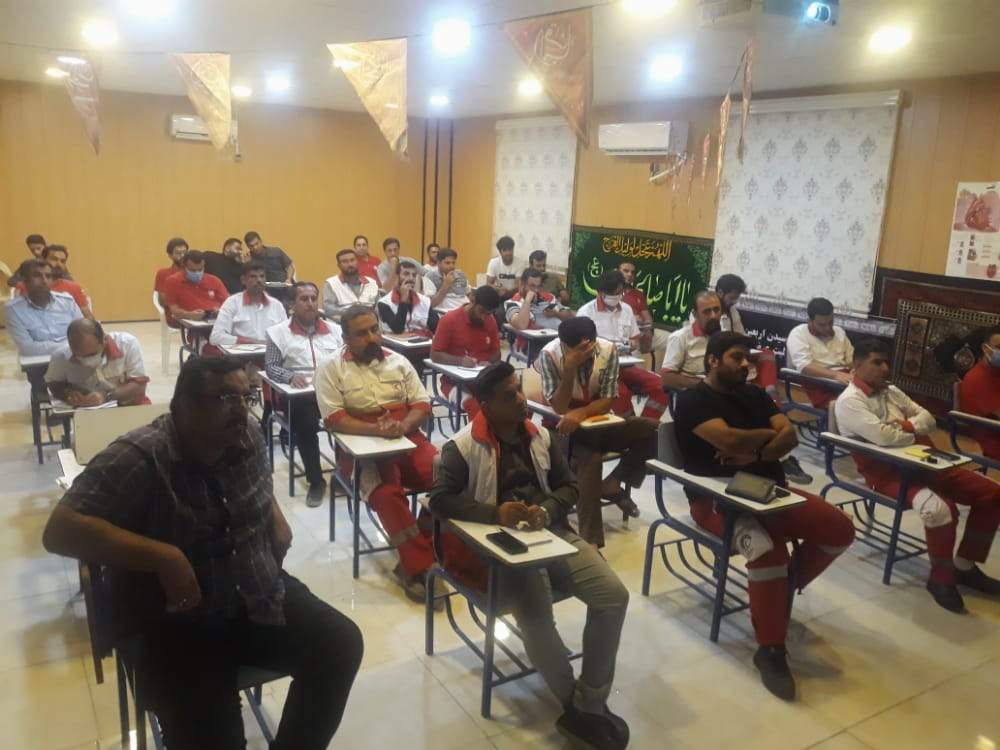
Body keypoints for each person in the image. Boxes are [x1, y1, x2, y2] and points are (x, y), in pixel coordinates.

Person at [41, 356, 363, 750]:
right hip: (179, 625)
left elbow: (252, 482)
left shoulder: (246, 434)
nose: (241, 409)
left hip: (255, 596)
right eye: (226, 398)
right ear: (184, 406)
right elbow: (60, 531)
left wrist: (273, 512)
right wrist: (163, 557)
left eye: (245, 397)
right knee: (215, 737)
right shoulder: (141, 455)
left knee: (340, 644)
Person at [430, 361, 631, 750]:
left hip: (551, 533)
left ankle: (588, 702)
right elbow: (439, 501)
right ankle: (575, 706)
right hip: (499, 546)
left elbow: (569, 486)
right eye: (509, 396)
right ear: (486, 405)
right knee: (537, 615)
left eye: (520, 389)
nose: (522, 399)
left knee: (613, 596)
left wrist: (549, 510)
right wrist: (495, 513)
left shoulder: (541, 436)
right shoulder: (462, 446)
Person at [674, 331, 855, 700]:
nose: (746, 365)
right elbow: (729, 441)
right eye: (737, 358)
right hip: (717, 500)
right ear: (713, 361)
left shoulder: (754, 394)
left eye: (748, 358)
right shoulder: (694, 400)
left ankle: (782, 588)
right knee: (769, 554)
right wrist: (765, 436)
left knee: (839, 529)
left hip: (770, 491)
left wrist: (755, 452)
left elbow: (790, 437)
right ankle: (770, 650)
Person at [835, 337, 1000, 613]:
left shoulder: (891, 391)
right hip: (888, 473)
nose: (885, 368)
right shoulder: (850, 401)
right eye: (877, 362)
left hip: (927, 463)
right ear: (857, 364)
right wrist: (910, 428)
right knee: (940, 510)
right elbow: (884, 438)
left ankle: (964, 567)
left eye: (886, 362)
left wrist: (904, 425)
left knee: (993, 494)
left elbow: (929, 419)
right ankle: (940, 579)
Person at [315, 305, 441, 603]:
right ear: (346, 338)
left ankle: (415, 552)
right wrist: (377, 431)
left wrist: (402, 426)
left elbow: (421, 404)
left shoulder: (399, 361)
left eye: (375, 329)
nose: (372, 337)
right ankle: (419, 565)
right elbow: (335, 419)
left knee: (448, 475)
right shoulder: (331, 368)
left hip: (407, 439)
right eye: (362, 333)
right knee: (386, 494)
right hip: (361, 449)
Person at [663, 290, 811, 484]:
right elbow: (732, 441)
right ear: (695, 314)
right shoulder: (681, 341)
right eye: (707, 311)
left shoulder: (752, 390)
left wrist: (759, 454)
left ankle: (772, 398)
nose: (713, 315)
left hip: (769, 484)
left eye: (716, 310)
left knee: (766, 356)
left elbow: (790, 436)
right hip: (724, 486)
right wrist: (770, 433)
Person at [535, 317, 659, 543]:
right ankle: (590, 540)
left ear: (592, 343)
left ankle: (613, 483)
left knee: (652, 430)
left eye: (586, 349)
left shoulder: (608, 350)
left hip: (599, 422)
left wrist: (582, 413)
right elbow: (560, 407)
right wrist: (570, 368)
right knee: (590, 460)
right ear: (563, 345)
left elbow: (608, 398)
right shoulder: (549, 355)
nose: (582, 355)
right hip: (561, 429)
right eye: (575, 350)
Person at [265, 282, 343, 506]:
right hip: (299, 396)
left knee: (352, 414)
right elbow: (271, 366)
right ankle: (316, 481)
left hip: (331, 390)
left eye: (313, 298)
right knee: (306, 423)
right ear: (291, 304)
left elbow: (346, 359)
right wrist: (289, 376)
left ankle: (344, 474)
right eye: (304, 299)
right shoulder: (277, 332)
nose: (310, 304)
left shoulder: (335, 330)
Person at [577, 270, 670, 423]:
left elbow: (635, 340)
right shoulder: (586, 313)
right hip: (598, 368)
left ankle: (646, 424)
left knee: (660, 386)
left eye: (619, 293)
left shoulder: (626, 310)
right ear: (601, 292)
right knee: (622, 393)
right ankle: (629, 426)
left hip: (625, 365)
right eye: (613, 294)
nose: (617, 297)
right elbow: (581, 349)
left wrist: (631, 345)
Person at [431, 286, 502, 418]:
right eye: (482, 312)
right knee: (475, 406)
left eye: (488, 314)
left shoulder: (490, 320)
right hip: (453, 382)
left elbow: (497, 353)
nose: (484, 318)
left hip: (482, 379)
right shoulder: (449, 319)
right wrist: (460, 361)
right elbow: (435, 355)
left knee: (511, 401)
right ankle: (481, 432)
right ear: (472, 300)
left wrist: (489, 362)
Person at [45, 319, 150, 406]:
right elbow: (53, 384)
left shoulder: (127, 344)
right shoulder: (61, 356)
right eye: (79, 356)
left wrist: (106, 396)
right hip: (86, 413)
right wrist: (68, 394)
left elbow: (139, 387)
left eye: (92, 354)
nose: (86, 360)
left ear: (104, 340)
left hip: (128, 406)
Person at [786, 297, 855, 409]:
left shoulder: (839, 332)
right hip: (818, 381)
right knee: (848, 406)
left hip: (844, 379)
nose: (827, 328)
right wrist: (836, 375)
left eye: (830, 322)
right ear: (810, 321)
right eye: (822, 325)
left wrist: (856, 370)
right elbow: (805, 367)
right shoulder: (798, 334)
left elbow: (851, 360)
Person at [6, 259, 83, 356]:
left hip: (74, 357)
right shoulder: (13, 309)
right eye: (37, 276)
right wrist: (70, 346)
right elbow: (27, 348)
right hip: (39, 361)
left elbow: (83, 333)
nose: (44, 281)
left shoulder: (67, 301)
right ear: (25, 280)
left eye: (48, 276)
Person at [210, 261, 288, 348]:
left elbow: (287, 337)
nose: (259, 280)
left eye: (262, 276)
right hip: (242, 354)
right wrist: (249, 342)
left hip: (271, 354)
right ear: (243, 280)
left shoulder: (276, 305)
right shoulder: (232, 303)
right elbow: (216, 337)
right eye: (253, 276)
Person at [958, 326, 1000, 460]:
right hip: (994, 444)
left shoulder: (996, 374)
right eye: (999, 347)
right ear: (985, 348)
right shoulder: (976, 379)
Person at [17, 245, 93, 319]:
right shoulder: (26, 286)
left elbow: (88, 317)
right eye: (54, 259)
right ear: (42, 260)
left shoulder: (73, 287)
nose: (59, 264)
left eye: (63, 261)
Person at [161, 250, 229, 327]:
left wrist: (220, 310)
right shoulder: (172, 281)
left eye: (200, 270)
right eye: (192, 270)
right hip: (189, 321)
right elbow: (174, 310)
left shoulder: (214, 280)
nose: (197, 273)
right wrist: (190, 315)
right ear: (184, 267)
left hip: (216, 320)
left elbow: (228, 303)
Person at [618, 260, 668, 363]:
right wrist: (633, 321)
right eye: (626, 271)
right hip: (625, 335)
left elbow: (648, 319)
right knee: (635, 357)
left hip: (644, 332)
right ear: (617, 272)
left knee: (674, 339)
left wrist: (648, 330)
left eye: (632, 272)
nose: (629, 274)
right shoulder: (611, 292)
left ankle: (670, 370)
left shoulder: (638, 294)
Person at [505, 267, 575, 333]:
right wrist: (527, 301)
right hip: (532, 340)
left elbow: (571, 317)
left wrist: (557, 314)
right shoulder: (512, 303)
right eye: (532, 286)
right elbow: (521, 325)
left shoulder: (548, 298)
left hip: (557, 337)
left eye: (538, 286)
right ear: (522, 285)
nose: (536, 290)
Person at [376, 260, 435, 335]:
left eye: (414, 275)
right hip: (396, 340)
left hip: (421, 338)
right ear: (396, 277)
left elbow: (435, 326)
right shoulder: (384, 303)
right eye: (406, 274)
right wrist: (403, 299)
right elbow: (398, 329)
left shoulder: (424, 300)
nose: (411, 278)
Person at [322, 249, 380, 318]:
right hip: (343, 322)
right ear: (339, 265)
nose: (350, 264)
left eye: (352, 260)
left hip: (371, 321)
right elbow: (328, 309)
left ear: (357, 262)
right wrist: (352, 313)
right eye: (345, 262)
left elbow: (379, 305)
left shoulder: (371, 282)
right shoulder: (331, 283)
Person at [486, 235, 523, 305]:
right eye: (505, 250)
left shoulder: (520, 263)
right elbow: (489, 284)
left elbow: (518, 285)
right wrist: (499, 289)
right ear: (500, 252)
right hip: (499, 295)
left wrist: (507, 291)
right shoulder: (493, 262)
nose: (508, 253)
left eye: (510, 249)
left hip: (514, 295)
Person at [154, 237, 188, 306]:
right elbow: (163, 301)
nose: (182, 255)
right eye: (178, 253)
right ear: (170, 255)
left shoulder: (195, 272)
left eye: (185, 252)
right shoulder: (163, 273)